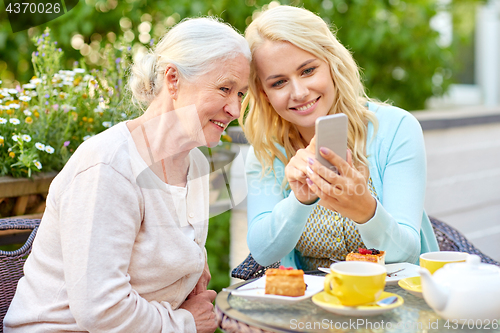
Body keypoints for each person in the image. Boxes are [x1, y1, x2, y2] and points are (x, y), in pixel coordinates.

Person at [4, 17, 250, 333]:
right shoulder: (109, 165)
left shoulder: (198, 165)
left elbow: (178, 259)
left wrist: (192, 268)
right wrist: (185, 322)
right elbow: (101, 310)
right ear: (173, 79)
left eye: (241, 94)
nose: (235, 109)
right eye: (224, 89)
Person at [240, 5, 439, 271]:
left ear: (332, 64)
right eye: (279, 83)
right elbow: (263, 253)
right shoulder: (266, 153)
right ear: (264, 94)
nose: (299, 92)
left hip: (394, 302)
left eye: (308, 70)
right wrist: (298, 200)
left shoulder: (396, 129)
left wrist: (364, 210)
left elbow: (406, 251)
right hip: (313, 306)